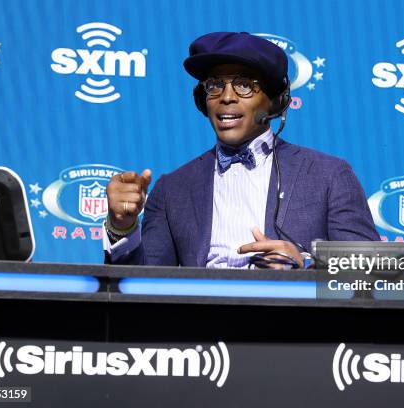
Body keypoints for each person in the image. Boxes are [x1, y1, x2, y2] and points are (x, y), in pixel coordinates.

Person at [103, 32, 379, 269]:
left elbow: (375, 268)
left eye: (245, 85)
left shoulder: (328, 175)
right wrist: (122, 227)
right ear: (202, 101)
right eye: (215, 85)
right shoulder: (171, 189)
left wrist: (306, 265)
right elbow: (143, 286)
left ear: (275, 102)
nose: (226, 96)